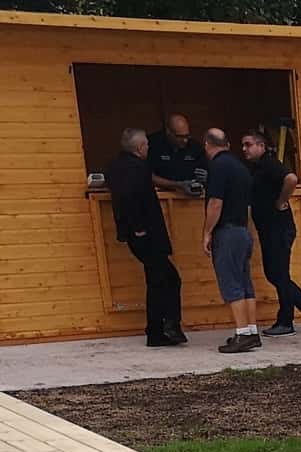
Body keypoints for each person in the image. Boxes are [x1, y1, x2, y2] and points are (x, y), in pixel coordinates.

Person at [105, 128, 185, 347]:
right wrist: (139, 227)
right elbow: (130, 197)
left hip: (134, 235)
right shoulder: (137, 168)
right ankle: (162, 329)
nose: (149, 148)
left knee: (159, 279)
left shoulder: (115, 166)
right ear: (140, 148)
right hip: (147, 234)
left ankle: (159, 329)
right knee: (166, 279)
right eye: (147, 145)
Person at [240, 129, 301, 337]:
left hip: (279, 228)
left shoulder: (269, 164)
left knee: (278, 274)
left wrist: (281, 201)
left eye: (248, 145)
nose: (244, 149)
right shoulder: (257, 168)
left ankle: (299, 314)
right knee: (275, 274)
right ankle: (300, 313)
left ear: (261, 146)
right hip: (268, 229)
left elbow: (292, 179)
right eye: (243, 145)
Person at [200, 127, 259, 353]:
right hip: (243, 230)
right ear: (228, 144)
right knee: (245, 283)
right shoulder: (241, 168)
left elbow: (216, 202)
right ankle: (252, 331)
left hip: (227, 231)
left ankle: (242, 334)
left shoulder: (217, 167)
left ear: (207, 144)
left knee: (231, 283)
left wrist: (207, 232)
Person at [147, 113, 205, 194]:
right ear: (168, 132)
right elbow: (147, 176)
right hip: (161, 195)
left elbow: (204, 170)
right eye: (180, 136)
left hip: (191, 196)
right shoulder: (153, 144)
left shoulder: (195, 147)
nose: (185, 140)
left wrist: (206, 178)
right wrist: (178, 185)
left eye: (187, 136)